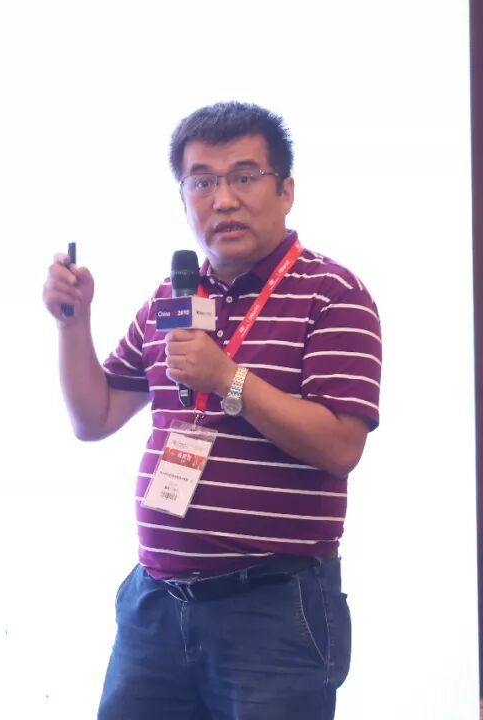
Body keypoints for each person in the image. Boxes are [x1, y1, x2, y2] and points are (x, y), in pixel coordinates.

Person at [42, 101, 381, 719]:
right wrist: (73, 322)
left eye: (244, 177)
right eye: (202, 182)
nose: (223, 200)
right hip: (155, 604)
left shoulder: (333, 295)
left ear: (285, 191)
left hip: (271, 608)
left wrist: (227, 378)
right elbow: (96, 416)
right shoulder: (170, 301)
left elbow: (340, 446)